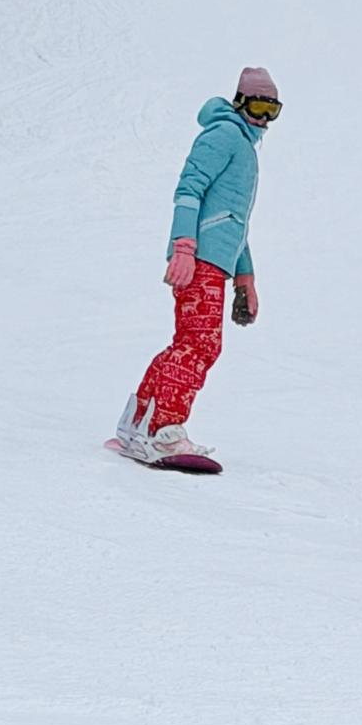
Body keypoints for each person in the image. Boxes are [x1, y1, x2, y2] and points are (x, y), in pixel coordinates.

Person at [114, 67, 280, 462]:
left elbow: (234, 223)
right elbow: (189, 188)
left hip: (215, 262)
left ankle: (139, 424)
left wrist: (246, 277)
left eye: (272, 111)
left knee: (188, 343)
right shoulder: (224, 135)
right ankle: (165, 431)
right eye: (258, 106)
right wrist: (183, 247)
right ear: (241, 101)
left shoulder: (244, 146)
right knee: (200, 344)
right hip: (200, 260)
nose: (263, 119)